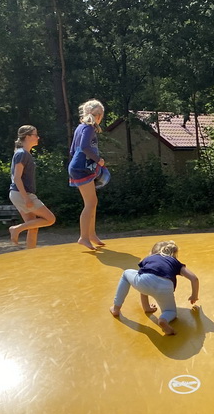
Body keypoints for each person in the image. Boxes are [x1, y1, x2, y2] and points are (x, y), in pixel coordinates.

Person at [109, 240, 200, 336]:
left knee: (126, 273)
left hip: (144, 281)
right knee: (171, 311)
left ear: (153, 252)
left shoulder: (150, 258)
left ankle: (116, 308)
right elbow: (194, 279)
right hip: (166, 287)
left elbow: (145, 281)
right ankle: (163, 319)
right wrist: (194, 295)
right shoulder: (175, 262)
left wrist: (147, 307)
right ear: (173, 255)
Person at [68, 99, 107, 250]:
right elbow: (84, 146)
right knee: (90, 203)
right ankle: (84, 237)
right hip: (80, 169)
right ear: (98, 115)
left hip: (79, 167)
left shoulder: (80, 127)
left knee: (92, 202)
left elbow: (72, 150)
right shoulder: (90, 127)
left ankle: (91, 234)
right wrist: (99, 160)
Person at [8, 125, 56, 249]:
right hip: (21, 194)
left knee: (32, 226)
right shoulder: (22, 153)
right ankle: (16, 229)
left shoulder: (23, 153)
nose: (38, 137)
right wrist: (26, 198)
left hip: (18, 193)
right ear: (28, 136)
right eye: (35, 135)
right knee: (50, 219)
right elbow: (17, 177)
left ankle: (30, 254)